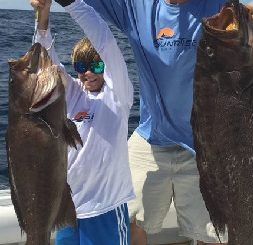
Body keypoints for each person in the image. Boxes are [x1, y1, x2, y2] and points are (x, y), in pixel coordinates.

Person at [53, 0, 228, 244]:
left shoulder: (218, 5)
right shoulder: (137, 7)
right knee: (131, 218)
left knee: (213, 230)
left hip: (206, 142)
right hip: (150, 137)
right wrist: (42, 19)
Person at [30, 0, 135, 244]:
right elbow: (44, 63)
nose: (87, 73)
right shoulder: (72, 92)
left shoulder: (118, 96)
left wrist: (70, 3)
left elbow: (105, 41)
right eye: (81, 66)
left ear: (106, 68)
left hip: (106, 209)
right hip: (66, 208)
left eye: (96, 66)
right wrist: (42, 15)